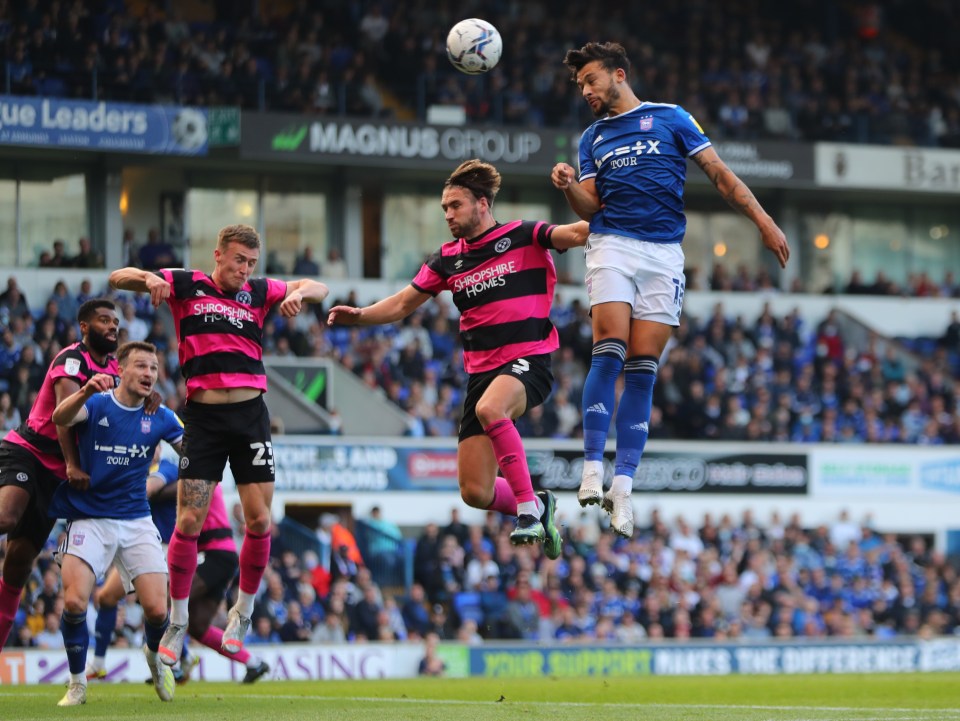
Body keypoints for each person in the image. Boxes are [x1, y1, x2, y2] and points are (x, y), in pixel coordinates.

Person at [550, 42, 790, 537]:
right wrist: (569, 185)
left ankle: (624, 489)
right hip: (612, 243)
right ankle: (592, 466)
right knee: (609, 349)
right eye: (580, 87)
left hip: (663, 255)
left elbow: (720, 176)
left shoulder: (672, 118)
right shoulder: (592, 137)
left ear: (619, 74)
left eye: (592, 81)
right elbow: (589, 206)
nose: (587, 92)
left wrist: (763, 222)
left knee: (643, 370)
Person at [328, 159, 588, 557]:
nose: (448, 214)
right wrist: (359, 317)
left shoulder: (523, 234)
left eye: (455, 205)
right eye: (444, 208)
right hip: (481, 373)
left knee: (492, 408)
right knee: (475, 491)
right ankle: (540, 501)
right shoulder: (447, 258)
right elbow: (401, 304)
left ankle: (528, 513)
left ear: (482, 204)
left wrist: (616, 214)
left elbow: (576, 232)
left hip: (528, 360)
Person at [108, 223, 330, 664]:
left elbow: (319, 285)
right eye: (238, 261)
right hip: (204, 418)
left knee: (260, 520)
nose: (245, 270)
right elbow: (118, 276)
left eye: (251, 263)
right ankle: (176, 619)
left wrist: (299, 294)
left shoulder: (261, 291)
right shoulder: (188, 284)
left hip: (250, 416)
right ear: (219, 255)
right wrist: (149, 278)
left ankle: (243, 611)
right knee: (188, 521)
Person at [49, 341, 184, 706]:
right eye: (140, 366)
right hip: (90, 517)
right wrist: (85, 390)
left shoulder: (161, 415)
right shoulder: (96, 403)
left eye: (154, 368)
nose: (148, 374)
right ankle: (78, 682)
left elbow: (193, 449)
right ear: (120, 370)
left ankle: (155, 658)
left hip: (137, 519)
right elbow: (59, 418)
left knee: (158, 611)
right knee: (75, 602)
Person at [0, 300, 123, 651]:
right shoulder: (71, 359)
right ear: (84, 327)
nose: (112, 326)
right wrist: (71, 464)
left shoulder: (117, 368)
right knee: (7, 516)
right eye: (103, 320)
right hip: (30, 453)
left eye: (115, 321)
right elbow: (64, 416)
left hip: (57, 476)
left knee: (19, 566)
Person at [85, 453, 270, 685]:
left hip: (214, 554)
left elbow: (165, 491)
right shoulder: (191, 475)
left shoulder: (197, 478)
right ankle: (253, 663)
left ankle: (170, 665)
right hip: (217, 555)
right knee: (198, 628)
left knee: (168, 603)